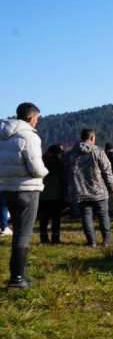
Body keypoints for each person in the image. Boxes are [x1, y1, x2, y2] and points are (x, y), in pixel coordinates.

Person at [0, 102, 48, 288]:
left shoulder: (3, 137)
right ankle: (17, 277)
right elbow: (35, 168)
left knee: (17, 231)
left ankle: (20, 274)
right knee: (23, 233)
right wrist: (45, 172)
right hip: (27, 188)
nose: (36, 122)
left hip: (7, 188)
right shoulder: (29, 137)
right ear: (30, 118)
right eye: (36, 119)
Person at [65, 129, 113, 247]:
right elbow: (107, 170)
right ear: (92, 138)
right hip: (98, 190)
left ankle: (91, 241)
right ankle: (107, 239)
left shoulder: (71, 154)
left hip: (80, 190)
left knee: (86, 215)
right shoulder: (98, 152)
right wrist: (111, 186)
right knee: (103, 214)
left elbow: (66, 172)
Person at [39, 144, 65, 243]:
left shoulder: (42, 162)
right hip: (56, 194)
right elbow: (63, 179)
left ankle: (43, 237)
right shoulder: (59, 163)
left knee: (44, 217)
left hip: (43, 194)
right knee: (56, 218)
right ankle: (55, 237)